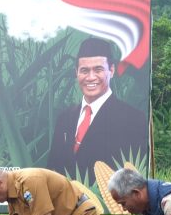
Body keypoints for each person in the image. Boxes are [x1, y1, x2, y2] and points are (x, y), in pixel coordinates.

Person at [46, 38, 148, 180]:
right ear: (76, 72)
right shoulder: (64, 118)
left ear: (111, 70)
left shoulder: (132, 118)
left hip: (106, 201)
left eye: (98, 69)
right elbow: (52, 170)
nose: (91, 77)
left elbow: (133, 177)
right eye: (84, 71)